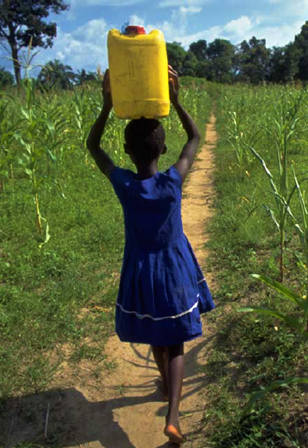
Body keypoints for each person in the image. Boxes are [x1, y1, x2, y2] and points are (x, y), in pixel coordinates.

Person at [86, 65, 215, 445]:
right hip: (174, 269)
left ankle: (162, 383)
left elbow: (94, 147)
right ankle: (173, 415)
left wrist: (107, 105)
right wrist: (176, 102)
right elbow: (194, 138)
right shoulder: (172, 181)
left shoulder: (125, 184)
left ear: (127, 151)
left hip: (142, 271)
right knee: (175, 340)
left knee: (159, 335)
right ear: (162, 149)